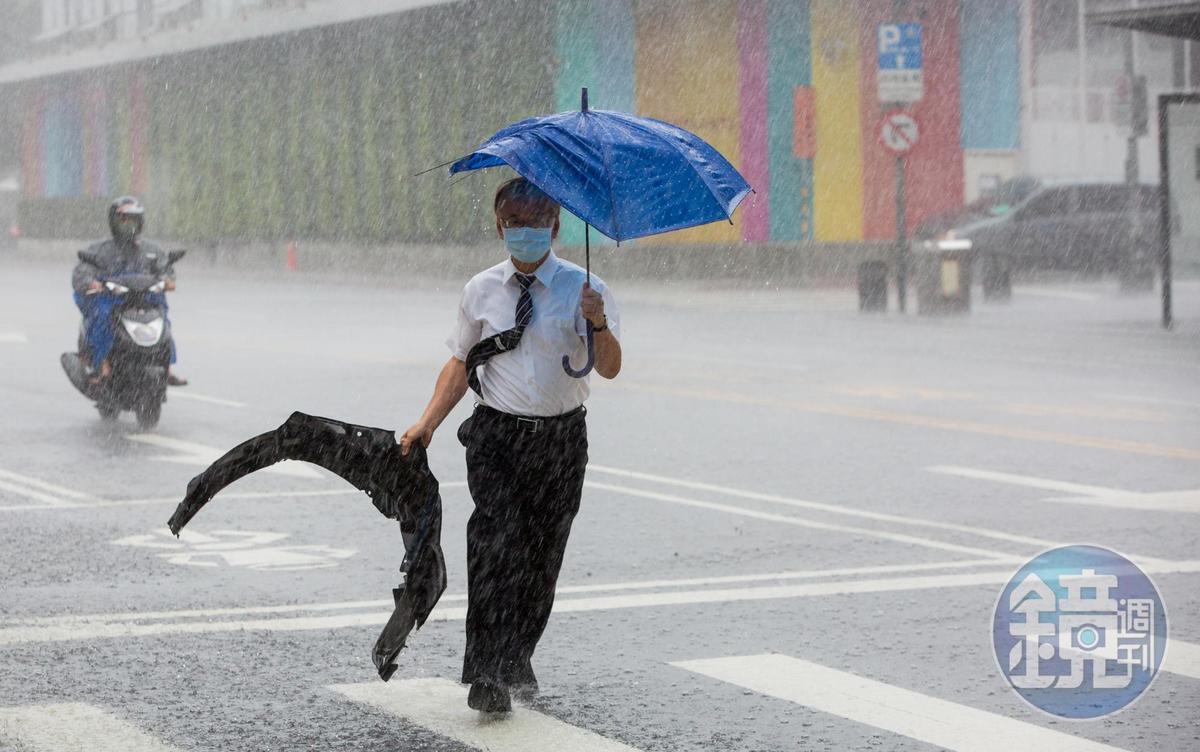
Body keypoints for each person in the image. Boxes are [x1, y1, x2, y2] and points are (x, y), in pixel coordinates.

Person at [400, 177, 622, 713]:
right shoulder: (480, 290)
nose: (523, 232)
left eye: (534, 221)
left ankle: (516, 652)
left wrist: (598, 324)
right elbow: (460, 364)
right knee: (494, 547)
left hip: (561, 442)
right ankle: (487, 673)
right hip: (496, 437)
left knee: (542, 558)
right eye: (513, 223)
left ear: (555, 225)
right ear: (499, 226)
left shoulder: (585, 289)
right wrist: (426, 423)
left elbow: (611, 367)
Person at [71, 196, 187, 386]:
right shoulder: (100, 250)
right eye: (123, 220)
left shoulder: (152, 250)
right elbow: (82, 272)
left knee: (162, 317)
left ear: (141, 223)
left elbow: (166, 270)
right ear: (113, 221)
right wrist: (92, 283)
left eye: (133, 220)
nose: (129, 225)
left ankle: (167, 367)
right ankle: (103, 365)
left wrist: (167, 280)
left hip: (143, 299)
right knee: (102, 315)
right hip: (112, 300)